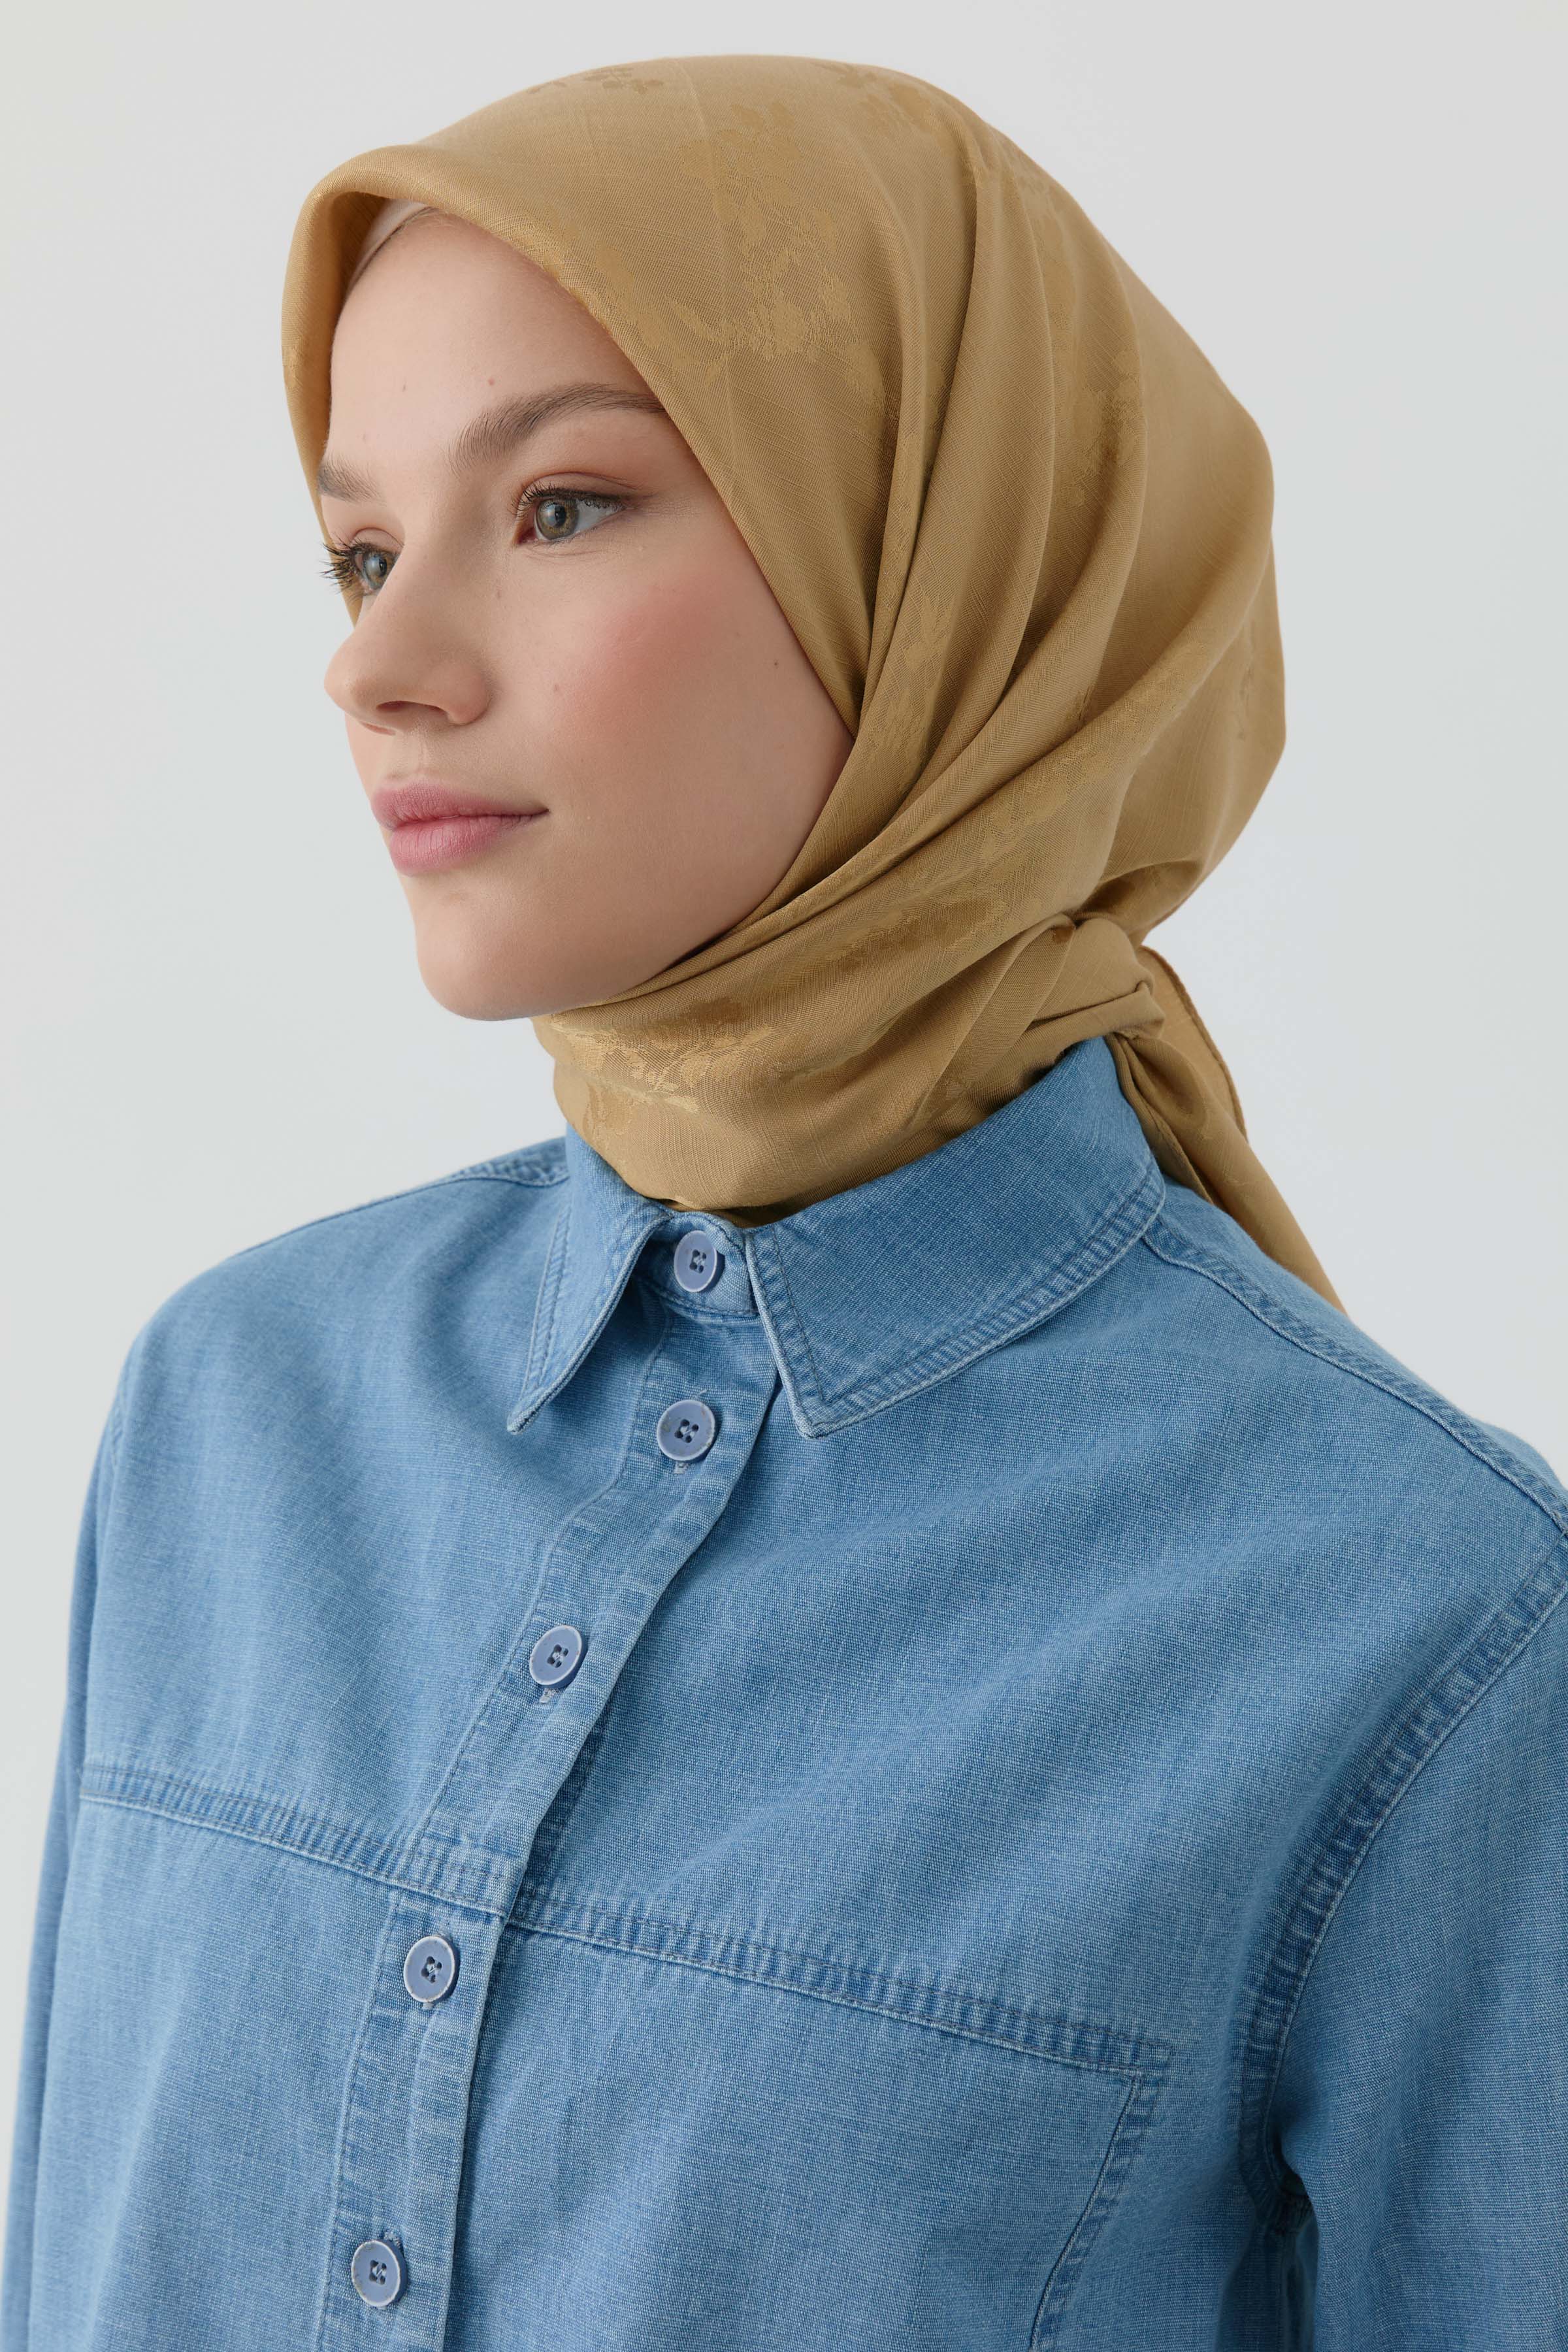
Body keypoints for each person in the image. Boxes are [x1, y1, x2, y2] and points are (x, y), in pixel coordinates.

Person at [4, 52, 1565, 2352]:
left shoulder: (1415, 1624)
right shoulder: (231, 1415)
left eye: (559, 506)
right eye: (360, 550)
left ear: (947, 573)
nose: (376, 666)